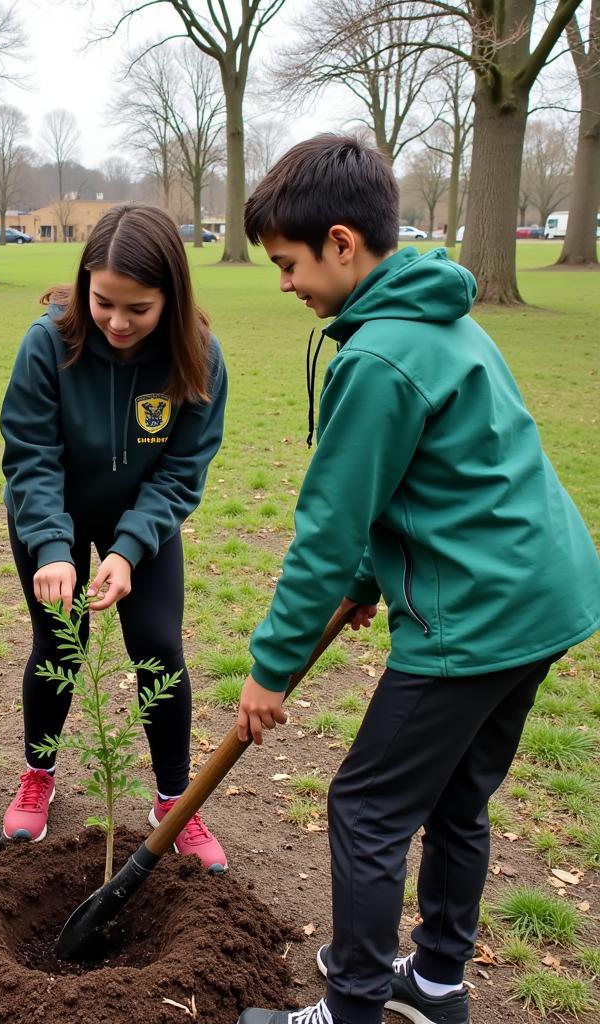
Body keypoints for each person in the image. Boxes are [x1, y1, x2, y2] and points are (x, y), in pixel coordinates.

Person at [233, 135, 600, 1024]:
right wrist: (367, 580)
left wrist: (270, 668)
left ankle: (353, 1006)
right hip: (546, 595)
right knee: (456, 795)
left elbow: (326, 529)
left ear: (343, 242)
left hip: (475, 616)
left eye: (288, 263)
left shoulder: (378, 357)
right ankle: (436, 986)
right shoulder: (445, 321)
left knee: (364, 807)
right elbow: (416, 484)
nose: (285, 284)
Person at [0, 204, 231, 872]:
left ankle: (173, 802)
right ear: (83, 283)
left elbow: (182, 471)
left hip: (142, 519)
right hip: (54, 514)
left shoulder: (197, 359)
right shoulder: (49, 342)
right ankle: (38, 773)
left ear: (172, 299)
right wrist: (50, 547)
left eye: (139, 309)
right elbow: (31, 454)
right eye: (104, 303)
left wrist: (129, 550)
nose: (119, 323)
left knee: (158, 647)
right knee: (59, 642)